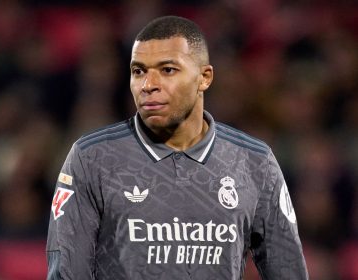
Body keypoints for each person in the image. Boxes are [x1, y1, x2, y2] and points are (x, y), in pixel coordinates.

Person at [46, 15, 309, 279]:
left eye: (168, 70)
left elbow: (288, 270)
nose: (148, 85)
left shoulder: (254, 161)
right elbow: (67, 273)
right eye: (139, 71)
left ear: (204, 78)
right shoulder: (93, 158)